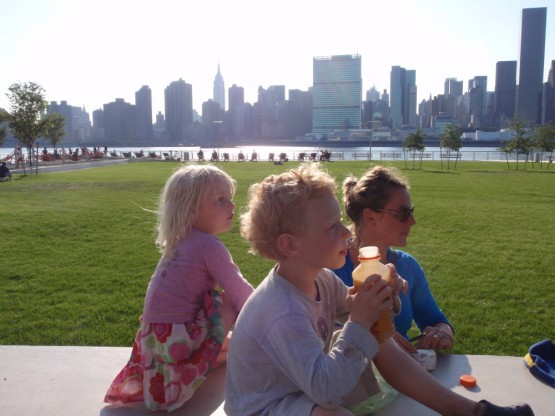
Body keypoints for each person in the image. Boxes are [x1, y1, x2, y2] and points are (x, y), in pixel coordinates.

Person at [225, 163, 534, 416]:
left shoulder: (318, 278)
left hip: (297, 389)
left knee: (377, 336)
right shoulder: (281, 310)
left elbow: (351, 302)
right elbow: (328, 393)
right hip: (263, 408)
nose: (347, 232)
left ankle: (468, 412)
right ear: (291, 245)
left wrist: (382, 290)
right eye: (332, 227)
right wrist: (360, 320)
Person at [104, 164, 254, 412]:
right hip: (179, 338)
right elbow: (241, 292)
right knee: (228, 300)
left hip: (155, 340)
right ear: (191, 209)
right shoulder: (208, 245)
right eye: (221, 200)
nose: (232, 206)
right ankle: (228, 352)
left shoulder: (180, 241)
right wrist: (269, 311)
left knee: (228, 341)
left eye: (230, 199)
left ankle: (208, 356)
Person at [332, 166, 454, 354]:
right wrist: (379, 339)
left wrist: (441, 334)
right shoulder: (329, 267)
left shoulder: (407, 266)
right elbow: (312, 335)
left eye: (411, 211)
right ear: (371, 217)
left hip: (402, 377)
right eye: (403, 213)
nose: (412, 220)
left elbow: (436, 320)